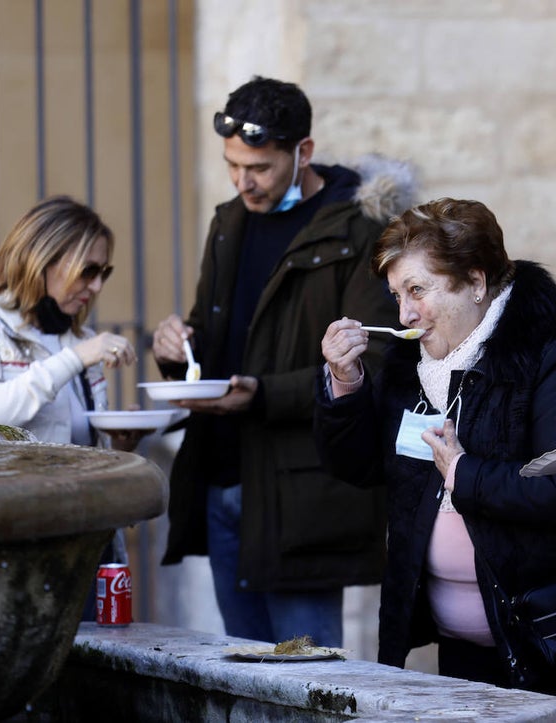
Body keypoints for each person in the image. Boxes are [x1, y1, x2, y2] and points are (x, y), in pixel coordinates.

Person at [315, 198, 556, 721]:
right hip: (465, 644)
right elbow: (360, 468)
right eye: (398, 294)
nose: (403, 314)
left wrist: (467, 475)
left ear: (474, 281)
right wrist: (345, 384)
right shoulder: (410, 365)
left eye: (418, 290)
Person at [152, 76, 413, 647]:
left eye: (260, 168)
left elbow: (377, 355)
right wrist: (177, 349)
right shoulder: (228, 223)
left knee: (306, 681)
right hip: (223, 478)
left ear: (304, 152)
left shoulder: (361, 228)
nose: (244, 181)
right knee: (244, 674)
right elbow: (212, 335)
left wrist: (263, 394)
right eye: (232, 165)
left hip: (304, 494)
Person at [0, 195, 140, 450]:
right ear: (41, 261)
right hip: (4, 489)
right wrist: (74, 359)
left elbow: (82, 447)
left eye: (103, 273)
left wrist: (120, 444)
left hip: (78, 489)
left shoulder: (79, 338)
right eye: (87, 271)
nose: (97, 285)